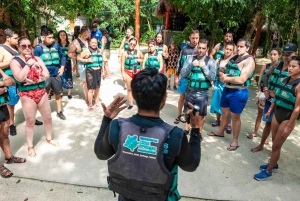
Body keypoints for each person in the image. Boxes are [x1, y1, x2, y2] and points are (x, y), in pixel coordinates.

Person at [94, 69, 202, 201]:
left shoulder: (116, 127)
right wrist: (195, 130)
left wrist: (106, 120)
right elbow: (191, 165)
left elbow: (100, 154)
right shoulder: (175, 136)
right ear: (164, 98)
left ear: (133, 94)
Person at [10, 37, 59, 157]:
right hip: (27, 95)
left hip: (41, 92)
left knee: (48, 117)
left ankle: (49, 138)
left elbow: (46, 74)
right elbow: (20, 78)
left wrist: (34, 80)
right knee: (30, 121)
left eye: (29, 46)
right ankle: (30, 146)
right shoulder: (15, 61)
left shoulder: (37, 58)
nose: (27, 48)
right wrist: (28, 64)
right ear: (18, 47)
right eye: (23, 46)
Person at [254, 56, 300, 181]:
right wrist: (269, 111)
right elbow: (277, 97)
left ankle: (268, 172)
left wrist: (290, 125)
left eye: (294, 66)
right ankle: (274, 164)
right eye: (290, 66)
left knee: (276, 146)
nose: (290, 68)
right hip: (277, 113)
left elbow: (297, 108)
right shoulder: (285, 79)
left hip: (287, 117)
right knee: (275, 143)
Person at [207, 38, 255, 151]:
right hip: (227, 89)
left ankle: (235, 140)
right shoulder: (234, 57)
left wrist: (226, 78)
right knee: (224, 113)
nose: (239, 48)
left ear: (247, 48)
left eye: (241, 46)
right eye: (238, 46)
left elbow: (242, 79)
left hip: (238, 92)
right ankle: (220, 132)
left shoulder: (249, 61)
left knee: (235, 117)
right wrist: (221, 72)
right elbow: (224, 68)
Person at [251, 44, 297, 152]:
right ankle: (261, 145)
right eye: (284, 54)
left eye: (289, 55)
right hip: (271, 100)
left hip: (283, 104)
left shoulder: (294, 71)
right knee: (268, 123)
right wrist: (266, 90)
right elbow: (266, 76)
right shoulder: (277, 65)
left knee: (278, 130)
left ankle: (274, 152)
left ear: (295, 54)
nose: (286, 57)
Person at [181, 39, 216, 133]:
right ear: (197, 47)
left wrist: (204, 67)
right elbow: (183, 74)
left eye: (203, 48)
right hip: (190, 90)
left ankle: (198, 133)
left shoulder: (211, 61)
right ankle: (186, 129)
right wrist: (192, 65)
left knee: (201, 115)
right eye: (199, 47)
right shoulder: (190, 59)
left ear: (207, 49)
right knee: (188, 113)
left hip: (202, 92)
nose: (200, 50)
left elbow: (212, 77)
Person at [247, 48, 281, 145]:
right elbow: (260, 80)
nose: (272, 56)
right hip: (263, 93)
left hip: (272, 96)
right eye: (271, 54)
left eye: (275, 54)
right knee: (260, 113)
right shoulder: (265, 66)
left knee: (269, 118)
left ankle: (265, 138)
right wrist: (260, 92)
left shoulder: (280, 68)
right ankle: (255, 132)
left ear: (279, 55)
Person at [34, 26, 66, 120]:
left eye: (52, 37)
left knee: (58, 93)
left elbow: (63, 56)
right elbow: (35, 62)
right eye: (50, 37)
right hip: (45, 76)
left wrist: (62, 67)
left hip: (56, 74)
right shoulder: (38, 48)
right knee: (43, 95)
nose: (52, 39)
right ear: (43, 37)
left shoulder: (56, 46)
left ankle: (59, 111)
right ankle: (43, 113)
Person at [0, 68, 26, 178]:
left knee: (4, 134)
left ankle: (9, 157)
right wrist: (3, 87)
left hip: (2, 106)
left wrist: (2, 83)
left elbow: (11, 81)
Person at [174, 30, 199, 127]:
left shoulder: (201, 50)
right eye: (193, 38)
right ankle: (179, 115)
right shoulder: (184, 49)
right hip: (184, 78)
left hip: (195, 79)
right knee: (182, 97)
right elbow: (179, 63)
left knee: (192, 100)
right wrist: (176, 77)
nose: (195, 40)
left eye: (197, 38)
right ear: (189, 38)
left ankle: (190, 118)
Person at [210, 42, 235, 133]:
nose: (228, 51)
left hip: (228, 86)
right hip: (218, 84)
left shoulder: (233, 63)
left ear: (233, 51)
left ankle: (228, 123)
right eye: (227, 49)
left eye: (230, 49)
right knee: (217, 102)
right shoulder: (218, 60)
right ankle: (218, 120)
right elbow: (214, 72)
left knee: (227, 106)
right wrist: (212, 82)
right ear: (224, 49)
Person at [77, 37, 103, 110]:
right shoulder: (86, 51)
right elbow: (78, 58)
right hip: (90, 71)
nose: (94, 44)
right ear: (89, 43)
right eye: (92, 42)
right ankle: (90, 104)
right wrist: (87, 60)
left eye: (95, 42)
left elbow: (102, 61)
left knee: (97, 88)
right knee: (90, 89)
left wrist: (103, 71)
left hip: (98, 71)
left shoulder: (99, 50)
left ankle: (97, 102)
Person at [68, 26, 90, 104]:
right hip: (82, 65)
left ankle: (91, 95)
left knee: (91, 81)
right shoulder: (75, 42)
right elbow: (69, 53)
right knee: (85, 82)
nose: (90, 34)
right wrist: (77, 57)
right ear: (85, 33)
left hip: (92, 63)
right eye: (89, 32)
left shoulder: (90, 41)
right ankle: (87, 97)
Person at [120, 37, 144, 110]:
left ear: (136, 45)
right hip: (128, 72)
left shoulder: (139, 52)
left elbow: (143, 59)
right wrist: (123, 75)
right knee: (130, 88)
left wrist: (139, 59)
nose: (132, 45)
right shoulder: (125, 53)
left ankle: (140, 102)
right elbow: (122, 65)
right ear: (128, 43)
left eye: (134, 44)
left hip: (137, 71)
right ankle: (131, 103)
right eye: (131, 44)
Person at [58, 30, 73, 99]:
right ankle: (60, 91)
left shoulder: (69, 44)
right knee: (60, 77)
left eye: (64, 35)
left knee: (68, 76)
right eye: (61, 35)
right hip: (60, 63)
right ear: (59, 36)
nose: (62, 36)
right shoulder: (57, 44)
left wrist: (70, 55)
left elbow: (72, 54)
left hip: (68, 62)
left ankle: (69, 92)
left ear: (66, 36)